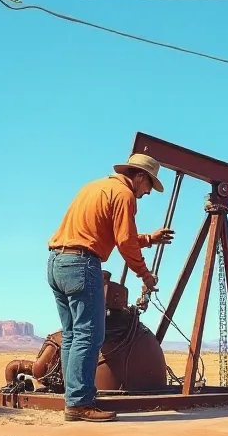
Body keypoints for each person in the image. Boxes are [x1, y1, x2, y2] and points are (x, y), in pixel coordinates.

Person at [46, 153, 174, 422]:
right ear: (140, 177)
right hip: (82, 264)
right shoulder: (124, 195)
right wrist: (145, 275)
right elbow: (125, 243)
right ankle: (80, 403)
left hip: (57, 262)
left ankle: (74, 399)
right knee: (89, 335)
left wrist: (149, 239)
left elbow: (115, 234)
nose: (147, 193)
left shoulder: (94, 187)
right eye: (149, 186)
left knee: (71, 335)